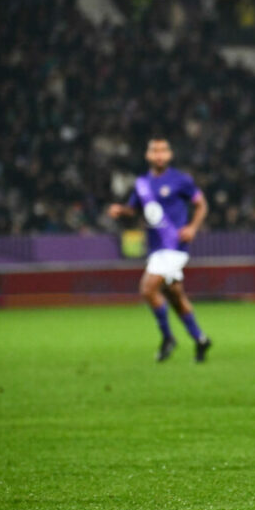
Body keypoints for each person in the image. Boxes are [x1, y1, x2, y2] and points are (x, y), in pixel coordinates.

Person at [108, 138, 211, 362]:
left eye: (163, 150)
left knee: (147, 288)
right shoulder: (142, 183)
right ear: (148, 155)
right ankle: (201, 339)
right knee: (175, 295)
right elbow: (135, 209)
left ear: (170, 154)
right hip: (156, 248)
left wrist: (193, 227)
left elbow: (201, 204)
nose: (159, 154)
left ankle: (167, 338)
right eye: (155, 150)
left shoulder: (181, 180)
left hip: (174, 246)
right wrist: (121, 210)